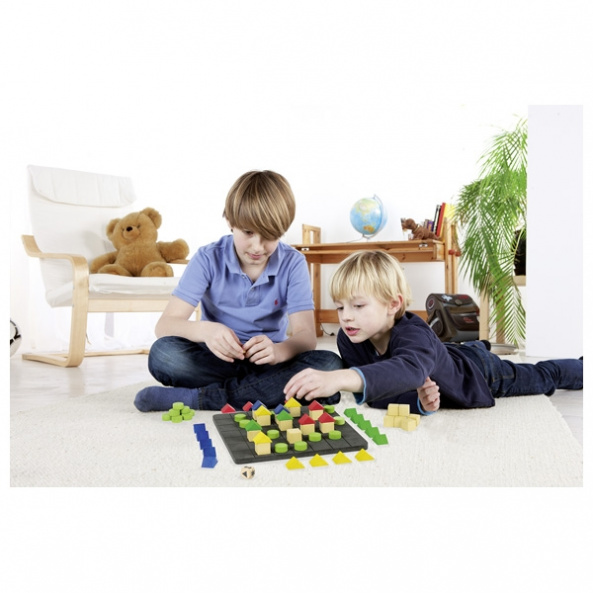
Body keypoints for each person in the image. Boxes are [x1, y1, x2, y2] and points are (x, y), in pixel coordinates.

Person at [134, 170, 342, 413]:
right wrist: (206, 330)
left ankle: (199, 398)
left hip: (269, 363)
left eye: (270, 236)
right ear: (230, 223)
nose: (257, 247)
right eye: (248, 232)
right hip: (218, 361)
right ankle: (266, 391)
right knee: (163, 354)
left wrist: (278, 351)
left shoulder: (293, 262)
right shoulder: (207, 258)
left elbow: (306, 336)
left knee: (330, 363)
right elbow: (165, 325)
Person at [283, 250, 583, 414]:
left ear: (393, 304)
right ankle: (479, 345)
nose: (346, 316)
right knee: (451, 352)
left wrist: (338, 378)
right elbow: (377, 393)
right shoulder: (349, 338)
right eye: (340, 307)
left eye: (358, 305)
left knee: (543, 376)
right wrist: (417, 403)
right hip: (444, 355)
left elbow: (409, 370)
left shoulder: (413, 333)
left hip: (479, 373)